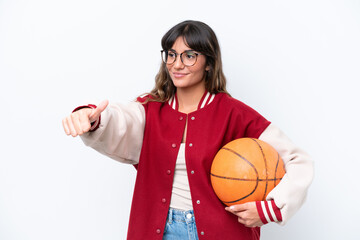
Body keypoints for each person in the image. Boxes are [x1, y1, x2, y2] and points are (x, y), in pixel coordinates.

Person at [62, 20, 313, 240]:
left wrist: (270, 208)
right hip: (156, 231)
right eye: (171, 54)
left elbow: (297, 159)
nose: (177, 64)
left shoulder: (234, 113)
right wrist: (92, 117)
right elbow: (121, 119)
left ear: (208, 62)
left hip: (221, 232)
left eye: (189, 55)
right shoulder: (150, 110)